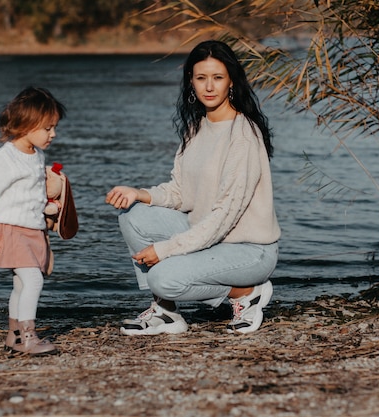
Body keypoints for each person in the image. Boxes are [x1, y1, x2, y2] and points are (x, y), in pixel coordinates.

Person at [105, 40, 281, 335]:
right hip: (210, 238)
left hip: (249, 251)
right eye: (201, 78)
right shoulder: (195, 128)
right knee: (132, 214)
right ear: (191, 82)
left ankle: (245, 293)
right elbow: (180, 193)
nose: (209, 87)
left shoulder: (243, 135)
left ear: (231, 82)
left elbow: (224, 216)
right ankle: (166, 312)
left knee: (162, 276)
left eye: (217, 77)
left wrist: (166, 249)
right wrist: (139, 194)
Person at [0, 86, 66, 354]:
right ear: (26, 124)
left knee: (21, 284)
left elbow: (31, 195)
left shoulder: (37, 156)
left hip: (32, 230)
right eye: (47, 128)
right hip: (10, 229)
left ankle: (14, 337)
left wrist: (47, 213)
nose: (53, 134)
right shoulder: (4, 158)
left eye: (54, 127)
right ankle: (27, 336)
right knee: (33, 280)